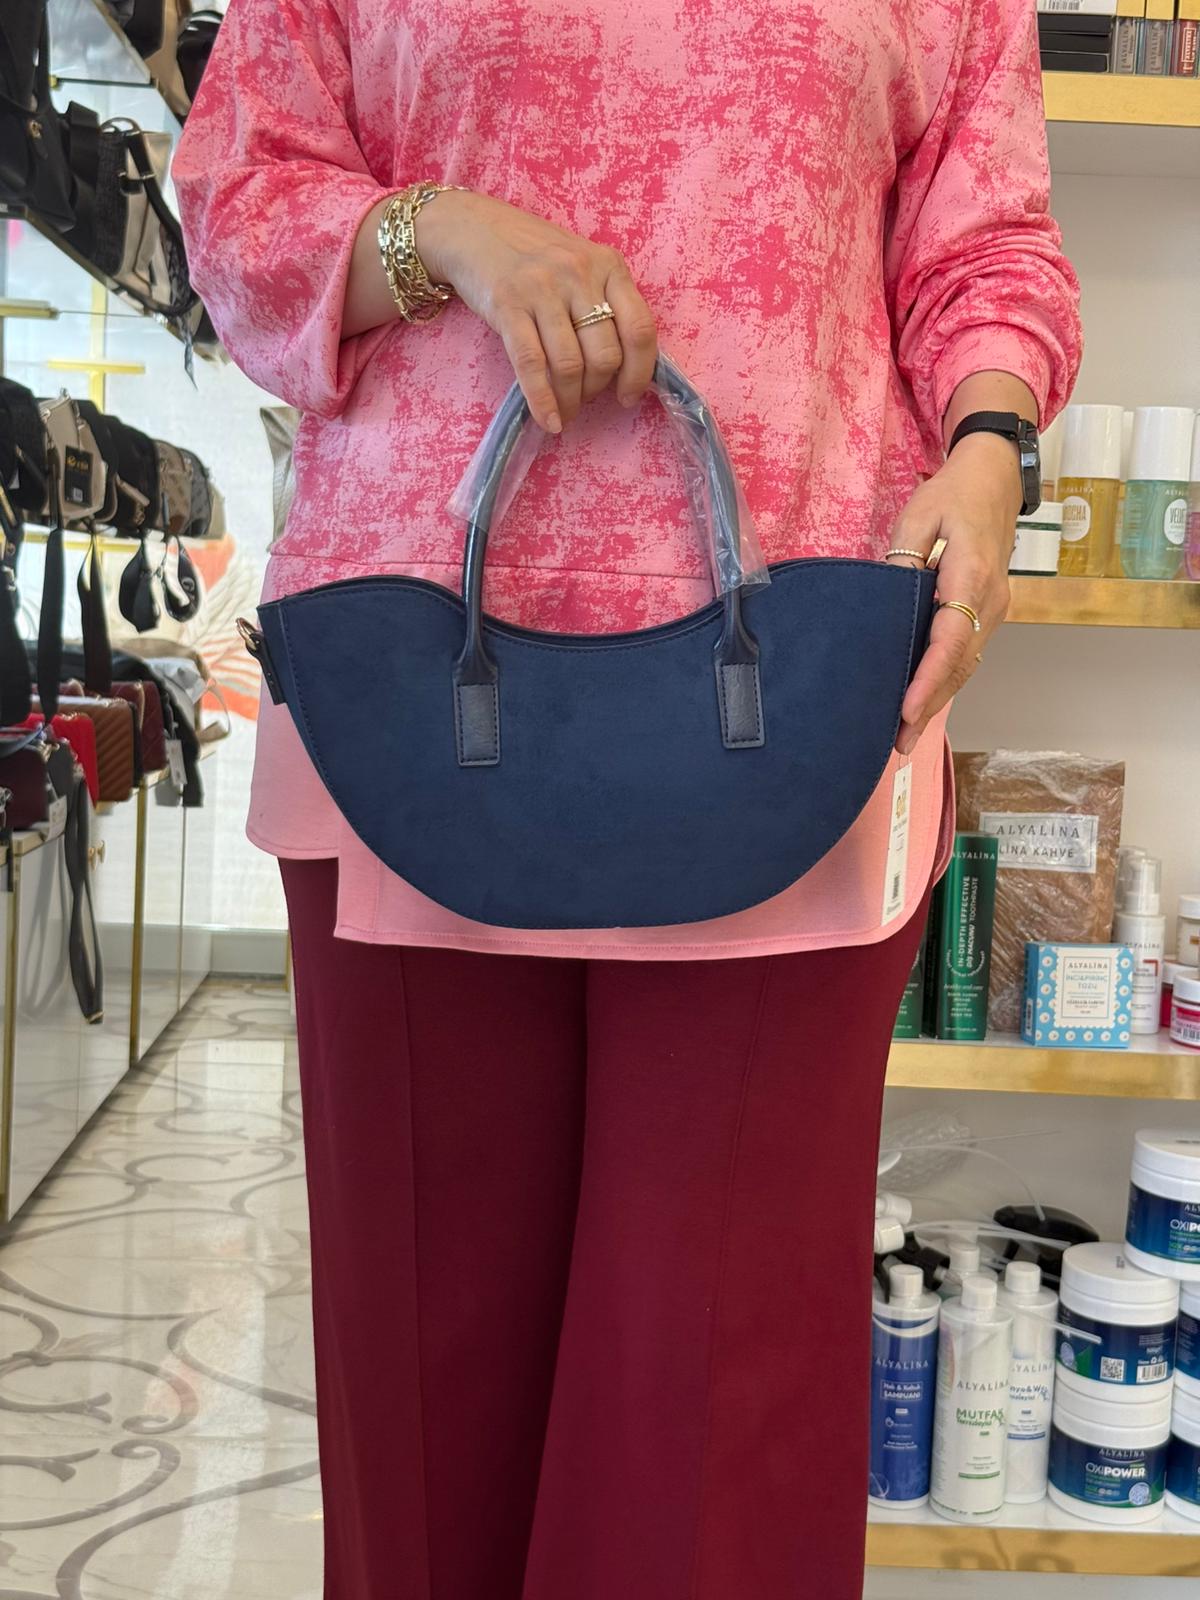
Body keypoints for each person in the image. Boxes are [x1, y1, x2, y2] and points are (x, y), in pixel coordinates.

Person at [174, 2, 1080, 1595]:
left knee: (717, 1398)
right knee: (427, 1385)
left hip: (798, 685)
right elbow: (243, 205)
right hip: (409, 683)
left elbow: (982, 239)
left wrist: (995, 444)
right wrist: (441, 234)